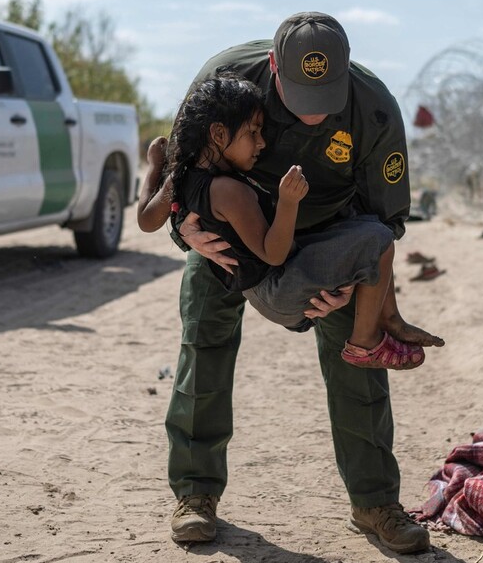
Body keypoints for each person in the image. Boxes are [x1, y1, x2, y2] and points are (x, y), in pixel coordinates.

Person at [140, 12, 444, 554]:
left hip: (327, 236)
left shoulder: (373, 109)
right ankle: (195, 494)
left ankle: (375, 503)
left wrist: (357, 284)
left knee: (359, 359)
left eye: (327, 96)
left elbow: (384, 223)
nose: (314, 115)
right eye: (301, 97)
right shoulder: (226, 79)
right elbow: (177, 174)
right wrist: (189, 232)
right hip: (230, 232)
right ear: (273, 68)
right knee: (203, 349)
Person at [138, 75, 431, 369]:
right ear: (217, 133)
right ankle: (365, 342)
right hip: (278, 288)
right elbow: (273, 254)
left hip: (266, 287)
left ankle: (389, 321)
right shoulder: (231, 192)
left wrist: (154, 168)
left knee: (362, 229)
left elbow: (146, 221)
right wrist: (288, 203)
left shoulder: (180, 176)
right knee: (379, 239)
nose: (262, 143)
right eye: (253, 132)